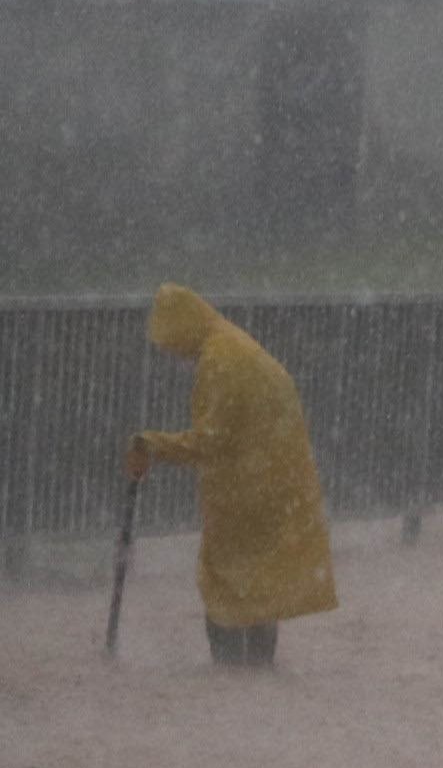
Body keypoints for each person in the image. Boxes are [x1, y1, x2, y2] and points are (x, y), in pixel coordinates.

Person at [124, 285, 338, 668]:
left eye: (172, 343)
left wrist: (152, 444)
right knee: (258, 584)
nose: (175, 356)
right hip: (276, 483)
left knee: (222, 581)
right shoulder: (237, 346)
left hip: (246, 491)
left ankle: (228, 674)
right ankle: (258, 677)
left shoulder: (220, 359)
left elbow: (211, 441)